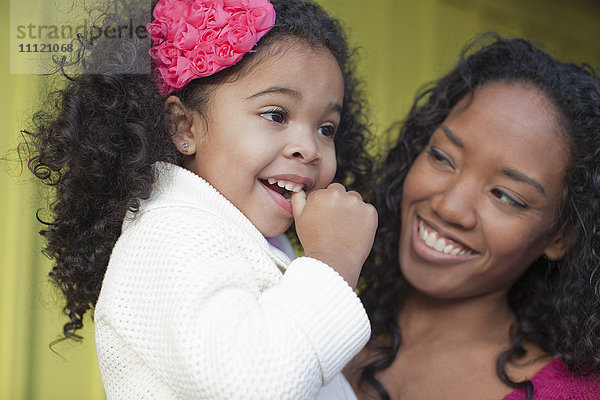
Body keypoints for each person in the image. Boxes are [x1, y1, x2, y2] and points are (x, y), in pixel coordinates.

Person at [23, 0, 378, 398]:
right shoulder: (169, 237)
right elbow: (253, 385)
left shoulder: (259, 241)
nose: (309, 149)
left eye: (326, 127)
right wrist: (332, 265)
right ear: (183, 126)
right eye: (277, 115)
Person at [346, 35, 600, 399]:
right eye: (442, 157)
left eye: (505, 196)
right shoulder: (308, 323)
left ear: (559, 236)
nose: (450, 207)